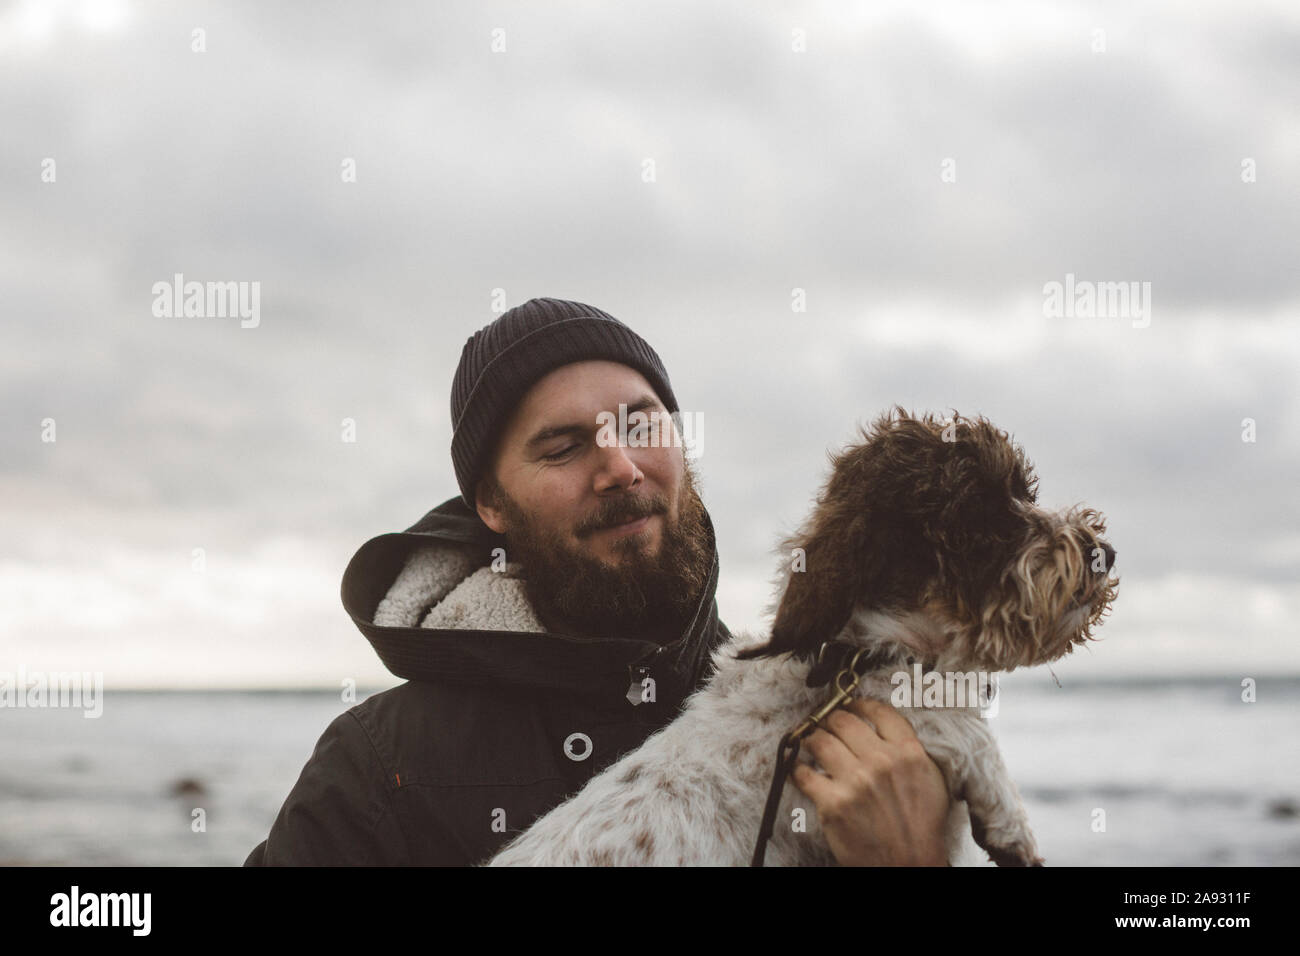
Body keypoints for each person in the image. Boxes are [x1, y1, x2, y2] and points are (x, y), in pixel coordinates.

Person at [244, 297, 951, 866]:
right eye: (564, 447)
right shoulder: (381, 766)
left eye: (641, 425)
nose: (620, 467)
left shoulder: (815, 712)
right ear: (492, 504)